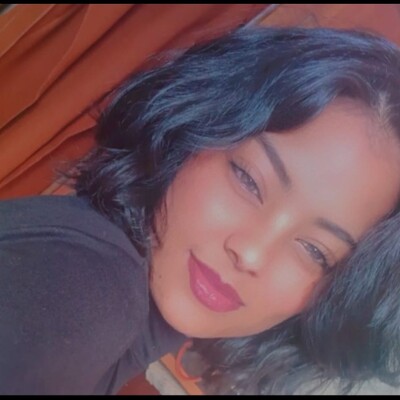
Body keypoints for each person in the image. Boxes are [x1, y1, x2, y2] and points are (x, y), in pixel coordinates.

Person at [1, 25, 400, 395]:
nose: (251, 253)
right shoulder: (91, 286)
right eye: (248, 179)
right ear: (191, 128)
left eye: (315, 251)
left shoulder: (123, 325)